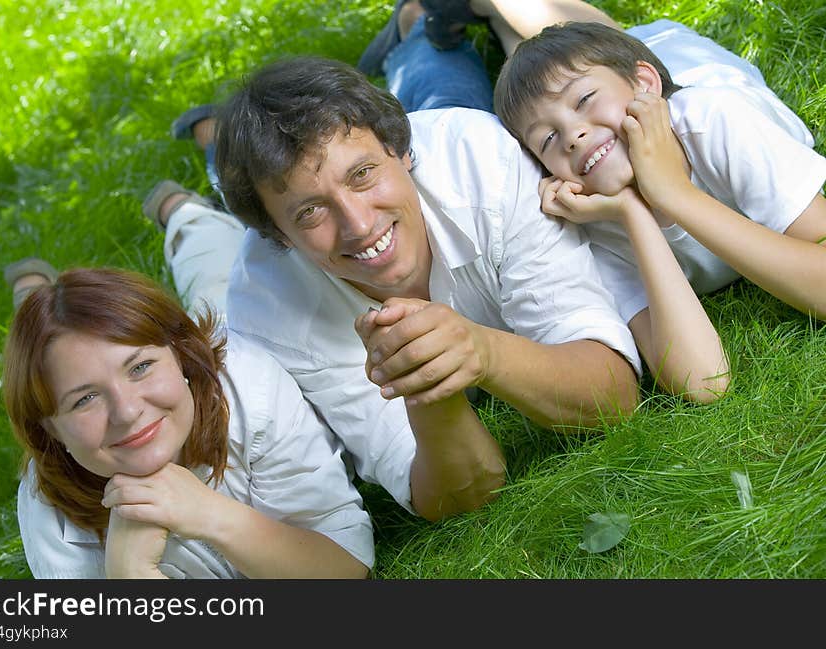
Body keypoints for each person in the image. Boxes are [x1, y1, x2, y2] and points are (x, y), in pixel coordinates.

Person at [160, 0, 800, 522]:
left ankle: (417, 26)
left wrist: (483, 352)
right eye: (309, 214)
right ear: (279, 239)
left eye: (363, 175)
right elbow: (460, 494)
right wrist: (428, 392)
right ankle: (184, 209)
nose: (357, 225)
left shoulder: (481, 158)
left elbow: (615, 392)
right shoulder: (269, 315)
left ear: (402, 153)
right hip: (257, 277)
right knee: (210, 283)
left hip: (448, 139)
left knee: (439, 88)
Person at [0, 188, 374, 579]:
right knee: (42, 350)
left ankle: (185, 212)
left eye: (140, 367)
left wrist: (212, 516)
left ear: (180, 355)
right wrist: (128, 573)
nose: (127, 412)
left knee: (215, 280)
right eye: (85, 399)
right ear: (50, 429)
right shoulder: (49, 510)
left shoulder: (251, 389)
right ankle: (30, 296)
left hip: (227, 342)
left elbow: (345, 571)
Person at [492, 21, 826, 401]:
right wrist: (633, 213)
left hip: (686, 60)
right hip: (626, 78)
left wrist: (675, 194)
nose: (573, 136)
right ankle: (497, 25)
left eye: (584, 101)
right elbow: (703, 382)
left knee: (544, 19)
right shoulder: (588, 223)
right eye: (548, 139)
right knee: (529, 59)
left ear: (643, 85)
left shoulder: (716, 120)